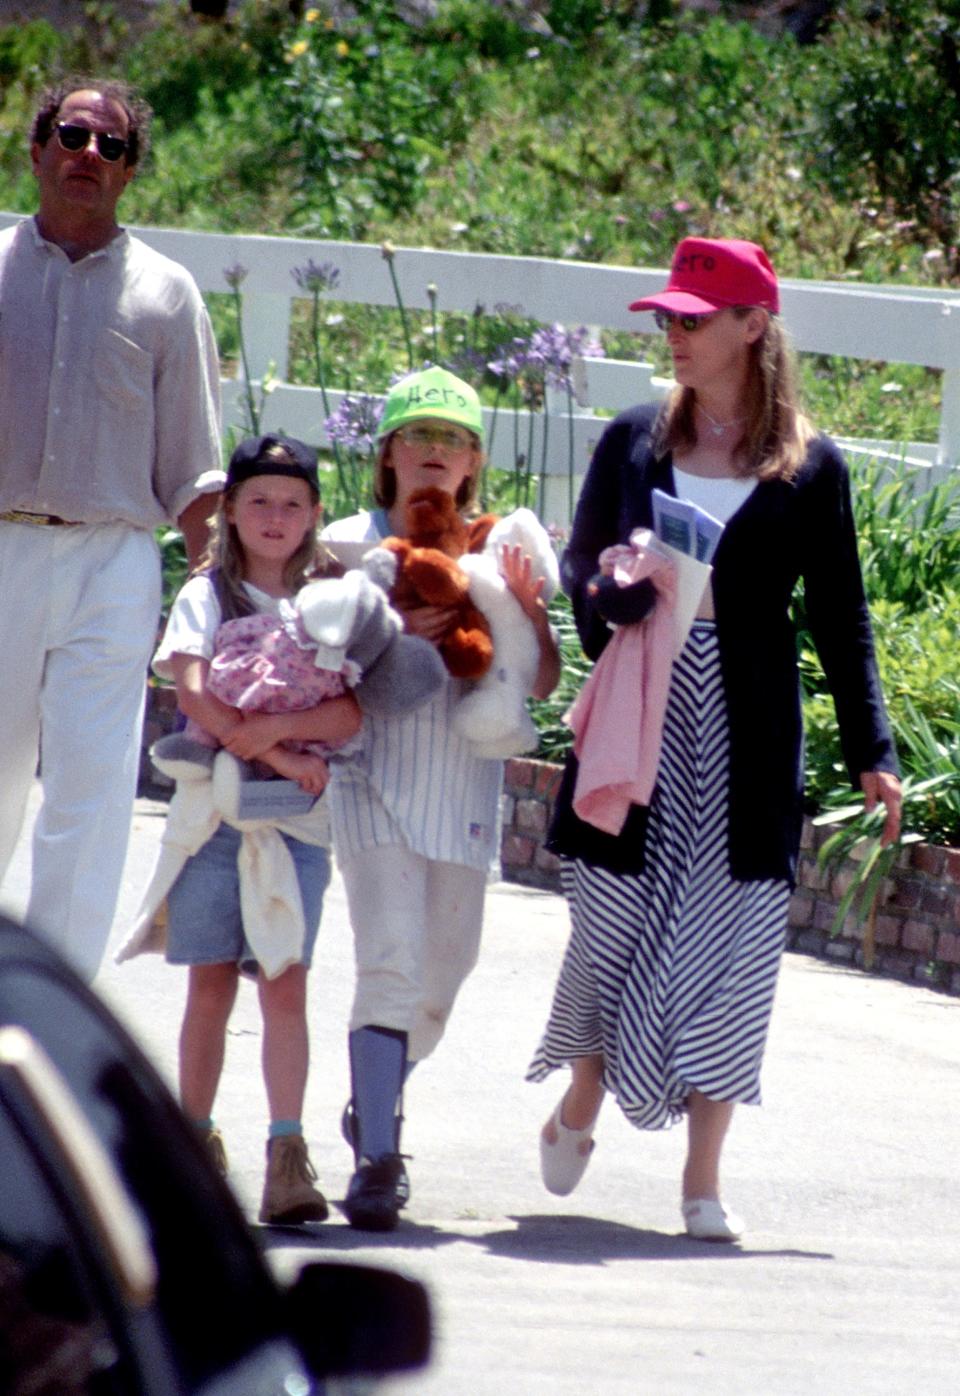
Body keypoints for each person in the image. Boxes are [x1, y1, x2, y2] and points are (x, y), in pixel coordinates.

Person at [527, 237, 903, 1242]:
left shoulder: (809, 468)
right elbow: (581, 574)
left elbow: (841, 613)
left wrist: (874, 748)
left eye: (697, 319)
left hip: (747, 724)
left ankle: (702, 1181)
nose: (676, 336)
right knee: (613, 919)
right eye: (670, 320)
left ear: (752, 326)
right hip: (637, 711)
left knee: (733, 941)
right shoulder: (634, 440)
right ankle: (587, 1085)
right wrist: (617, 592)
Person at [321, 365, 561, 1231]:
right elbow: (299, 653)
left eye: (452, 440)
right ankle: (379, 1159)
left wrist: (529, 617)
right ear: (386, 455)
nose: (433, 453)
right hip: (368, 776)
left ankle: (373, 1098)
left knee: (442, 975)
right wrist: (383, 624)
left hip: (463, 783)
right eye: (417, 436)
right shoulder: (345, 544)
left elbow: (540, 684)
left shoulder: (499, 553)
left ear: (473, 464)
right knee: (388, 958)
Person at [0, 78, 222, 982]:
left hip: (114, 565)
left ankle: (53, 1023)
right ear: (37, 146)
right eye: (73, 133)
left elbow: (197, 475)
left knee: (89, 805)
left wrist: (223, 617)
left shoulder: (168, 295)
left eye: (112, 145)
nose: (90, 153)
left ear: (131, 172)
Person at [127, 433, 362, 1226]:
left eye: (291, 503)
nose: (274, 515)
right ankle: (193, 1144)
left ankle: (287, 1154)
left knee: (287, 980)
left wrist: (287, 745)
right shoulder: (207, 594)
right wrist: (270, 746)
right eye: (257, 499)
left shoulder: (334, 600)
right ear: (229, 510)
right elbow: (191, 690)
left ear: (314, 515)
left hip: (297, 824)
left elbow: (354, 707)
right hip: (216, 817)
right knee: (211, 980)